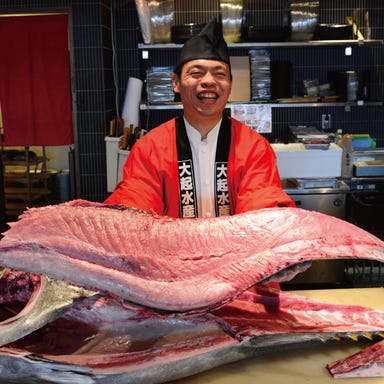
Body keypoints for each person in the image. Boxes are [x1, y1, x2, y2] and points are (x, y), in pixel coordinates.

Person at [104, 19, 295, 217]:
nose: (209, 81)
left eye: (219, 74)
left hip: (236, 247)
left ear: (230, 84)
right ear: (176, 83)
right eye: (196, 73)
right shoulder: (149, 148)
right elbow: (134, 202)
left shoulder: (254, 148)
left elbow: (263, 208)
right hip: (172, 247)